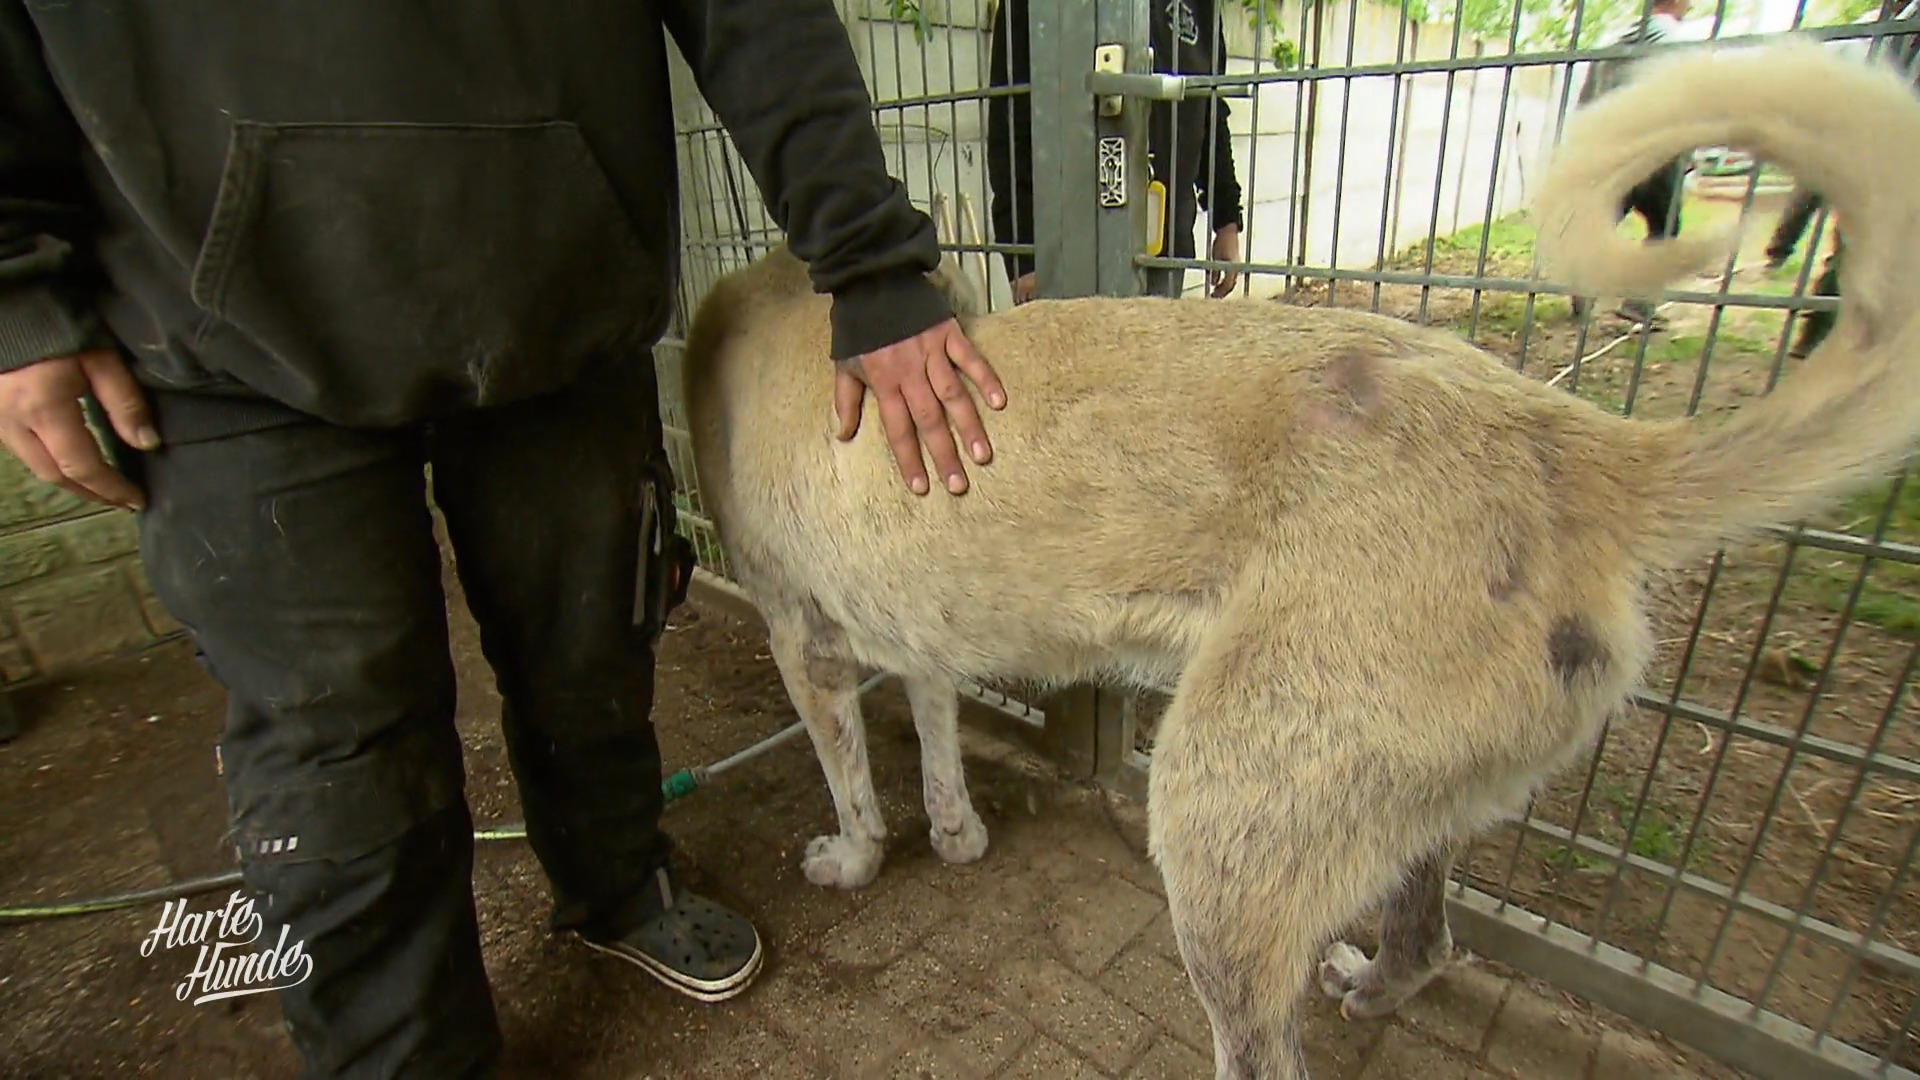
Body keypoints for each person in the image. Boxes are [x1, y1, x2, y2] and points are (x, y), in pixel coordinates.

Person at [0, 2, 1006, 1076]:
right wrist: (17, 292)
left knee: (593, 645)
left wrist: (873, 260)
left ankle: (616, 882)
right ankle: (406, 1054)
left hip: (560, 291)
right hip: (226, 329)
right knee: (332, 735)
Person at [985, 0, 1246, 301]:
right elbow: (1008, 119)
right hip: (1065, 254)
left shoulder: (1202, 7)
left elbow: (1209, 111)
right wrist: (1021, 253)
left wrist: (1227, 220)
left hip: (1164, 248)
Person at [1570, 0, 1694, 326]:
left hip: (1612, 148)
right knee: (1664, 227)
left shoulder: (1615, 46)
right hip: (1656, 147)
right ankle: (1639, 303)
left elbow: (1587, 102)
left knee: (1606, 217)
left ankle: (1583, 284)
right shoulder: (1677, 42)